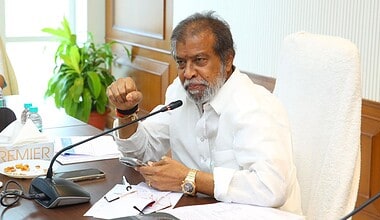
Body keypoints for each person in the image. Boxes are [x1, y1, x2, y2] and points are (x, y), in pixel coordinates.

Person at [107, 11, 302, 215]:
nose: (188, 73)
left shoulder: (255, 106)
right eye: (181, 62)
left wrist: (189, 178)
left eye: (199, 60)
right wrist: (126, 112)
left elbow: (271, 188)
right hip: (200, 211)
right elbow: (140, 152)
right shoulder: (179, 93)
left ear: (227, 61)